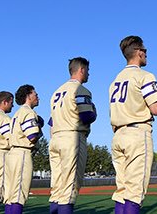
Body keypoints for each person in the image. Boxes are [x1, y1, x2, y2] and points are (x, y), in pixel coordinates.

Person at [109, 36, 157, 214]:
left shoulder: (115, 81)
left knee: (121, 191)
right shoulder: (144, 75)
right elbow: (155, 108)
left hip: (118, 135)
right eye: (145, 50)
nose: (146, 54)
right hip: (137, 133)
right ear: (139, 52)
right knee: (134, 192)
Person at [49, 57, 97, 214]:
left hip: (55, 138)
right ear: (81, 70)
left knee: (57, 189)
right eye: (88, 70)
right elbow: (87, 116)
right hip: (72, 137)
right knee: (69, 189)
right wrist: (94, 111)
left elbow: (51, 122)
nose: (89, 74)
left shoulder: (56, 92)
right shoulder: (80, 89)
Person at [3, 85, 44, 213]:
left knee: (10, 196)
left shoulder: (17, 113)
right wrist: (39, 129)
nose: (37, 96)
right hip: (22, 153)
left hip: (12, 153)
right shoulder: (28, 112)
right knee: (18, 195)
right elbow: (32, 136)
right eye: (35, 94)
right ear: (28, 96)